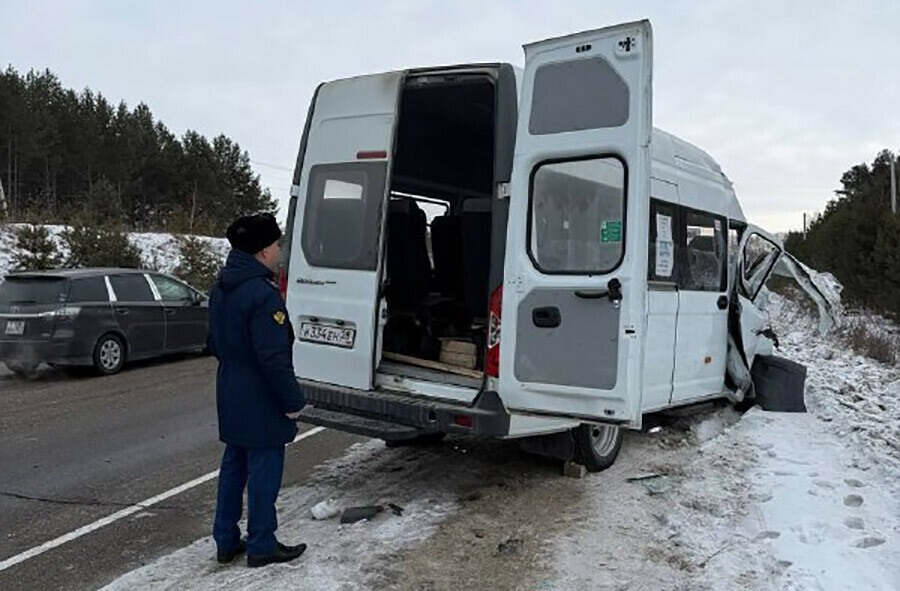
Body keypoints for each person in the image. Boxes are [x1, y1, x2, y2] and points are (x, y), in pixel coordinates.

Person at [208, 213, 307, 568]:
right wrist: (292, 401)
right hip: (260, 393)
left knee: (234, 465)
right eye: (277, 244)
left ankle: (225, 540)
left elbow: (212, 342)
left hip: (230, 387)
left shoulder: (222, 286)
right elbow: (274, 358)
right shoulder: (262, 295)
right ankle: (262, 543)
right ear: (263, 251)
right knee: (264, 470)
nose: (280, 250)